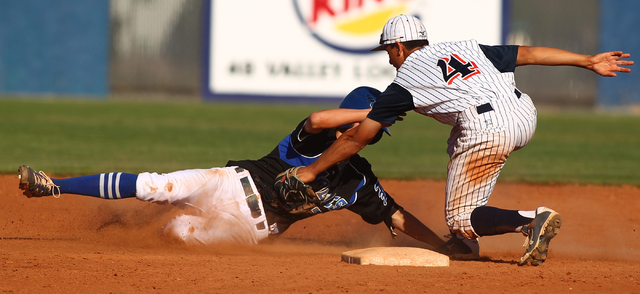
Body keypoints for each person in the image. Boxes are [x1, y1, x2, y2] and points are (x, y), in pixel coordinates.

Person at [280, 14, 634, 265]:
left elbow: (359, 137)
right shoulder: (464, 48)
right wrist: (588, 62)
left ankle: (529, 219)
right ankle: (464, 245)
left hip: (487, 127)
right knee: (458, 140)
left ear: (400, 47)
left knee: (460, 216)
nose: (389, 59)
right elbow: (527, 54)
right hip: (524, 113)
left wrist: (311, 172)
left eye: (388, 51)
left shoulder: (404, 82)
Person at [18, 86, 446, 249]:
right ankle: (55, 185)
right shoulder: (314, 136)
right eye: (366, 127)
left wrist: (442, 246)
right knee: (156, 185)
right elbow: (317, 118)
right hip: (229, 183)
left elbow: (396, 216)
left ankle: (161, 224)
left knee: (183, 235)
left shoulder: (360, 181)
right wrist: (372, 111)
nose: (370, 136)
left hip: (251, 231)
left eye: (374, 131)